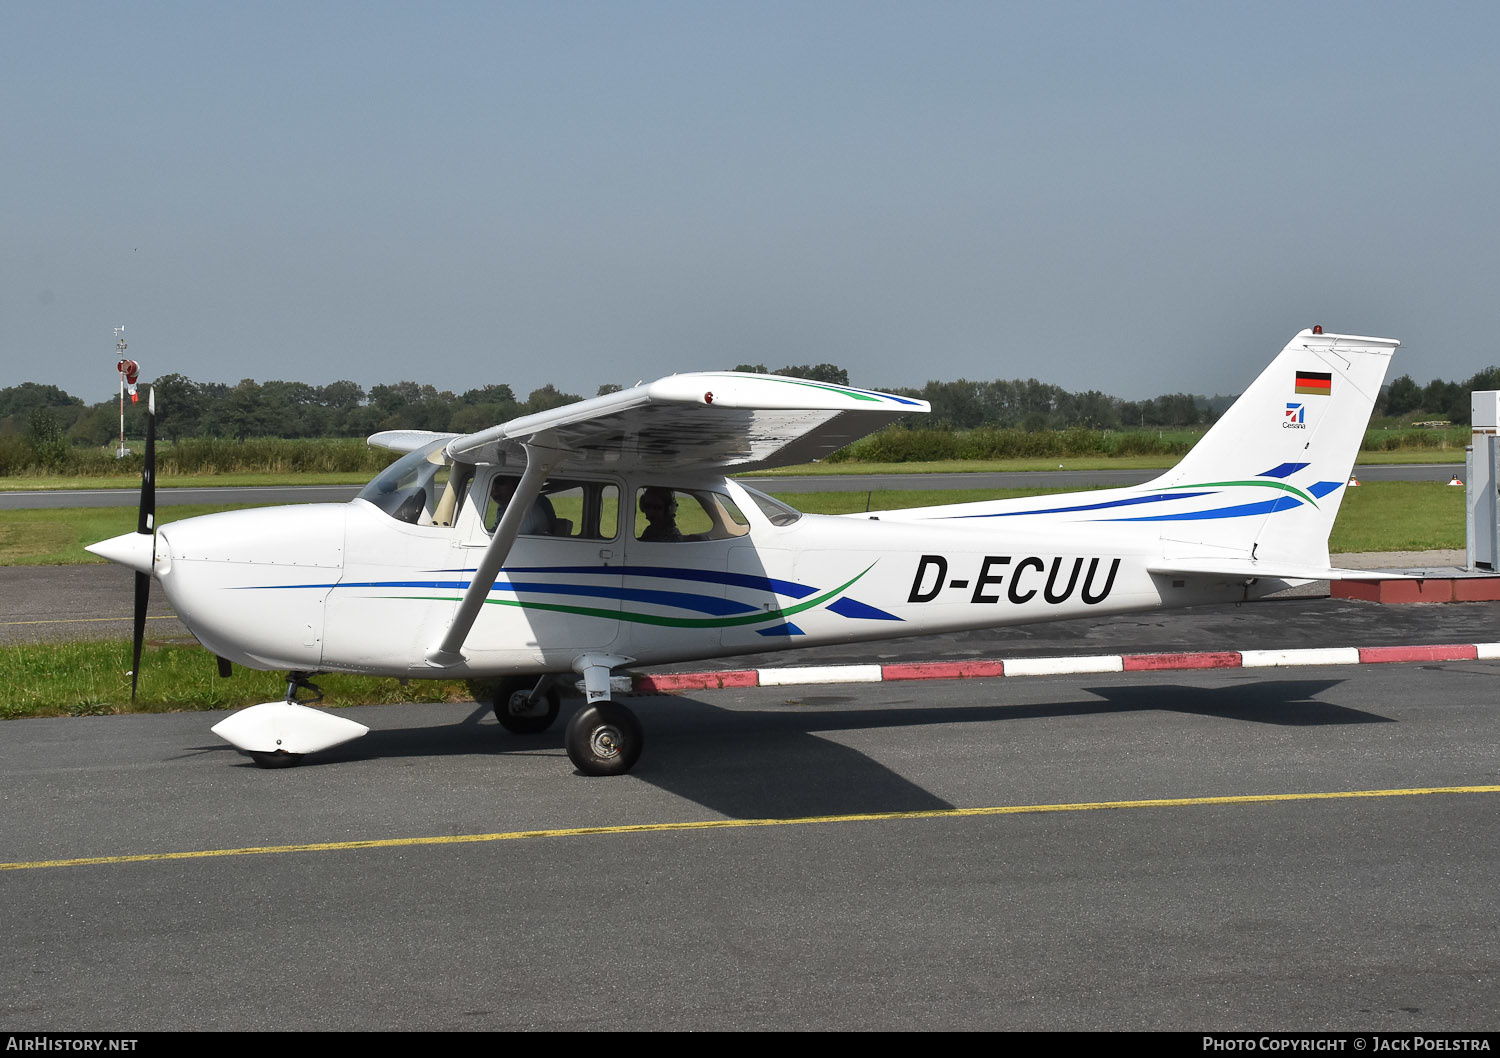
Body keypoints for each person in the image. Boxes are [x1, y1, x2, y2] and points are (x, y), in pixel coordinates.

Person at [487, 476, 555, 535]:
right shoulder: (503, 507)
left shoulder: (528, 510)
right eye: (491, 484)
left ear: (515, 484)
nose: (494, 489)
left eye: (500, 482)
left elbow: (508, 540)